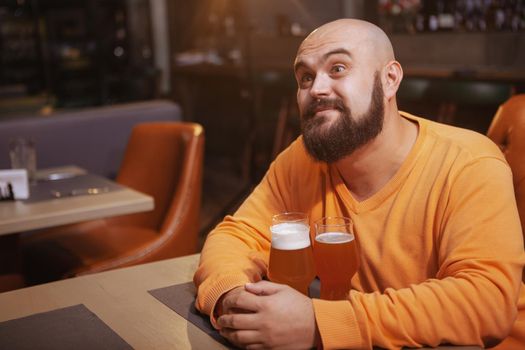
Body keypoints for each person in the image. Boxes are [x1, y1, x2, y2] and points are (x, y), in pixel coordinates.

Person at [193, 18, 525, 349]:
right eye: (305, 77)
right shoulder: (303, 160)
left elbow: (486, 301)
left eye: (337, 68)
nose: (317, 89)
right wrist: (232, 294)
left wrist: (319, 325)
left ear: (390, 79)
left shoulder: (469, 163)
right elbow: (237, 235)